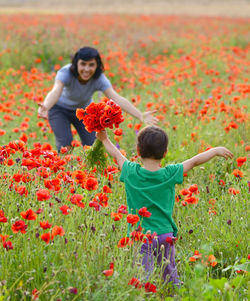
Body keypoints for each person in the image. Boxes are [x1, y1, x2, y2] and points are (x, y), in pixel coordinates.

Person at [96, 125, 233, 285]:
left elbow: (116, 154)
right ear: (165, 153)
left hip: (141, 236)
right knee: (169, 274)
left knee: (143, 279)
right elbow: (195, 161)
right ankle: (175, 292)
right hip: (165, 235)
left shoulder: (131, 171)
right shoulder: (170, 173)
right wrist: (215, 150)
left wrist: (104, 138)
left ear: (138, 151)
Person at [38, 46, 158, 152]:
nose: (86, 69)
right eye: (83, 64)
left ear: (97, 66)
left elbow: (116, 98)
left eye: (91, 65)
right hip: (59, 110)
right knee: (66, 145)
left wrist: (140, 115)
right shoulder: (66, 72)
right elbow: (56, 91)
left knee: (93, 145)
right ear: (76, 64)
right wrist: (46, 106)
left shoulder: (99, 78)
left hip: (83, 111)